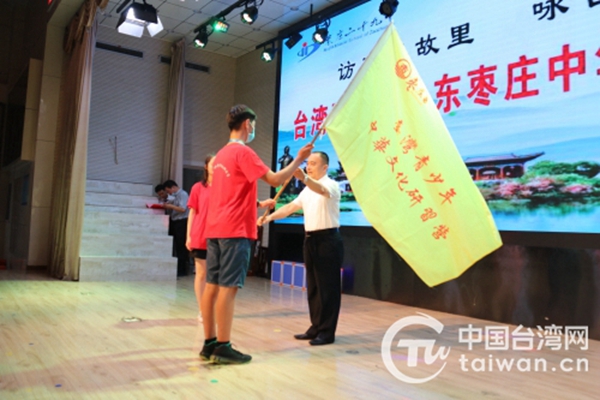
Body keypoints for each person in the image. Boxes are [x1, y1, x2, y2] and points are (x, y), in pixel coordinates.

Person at [200, 104, 313, 365]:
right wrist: (298, 159)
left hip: (215, 228)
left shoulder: (221, 155)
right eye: (254, 124)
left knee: (212, 285)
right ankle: (223, 346)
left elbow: (229, 194)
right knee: (228, 287)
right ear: (247, 124)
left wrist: (257, 204)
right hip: (235, 229)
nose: (254, 129)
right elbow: (274, 179)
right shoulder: (243, 152)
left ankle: (209, 343)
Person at [258, 151, 344, 346]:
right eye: (308, 163)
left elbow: (321, 190)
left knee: (328, 288)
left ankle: (327, 332)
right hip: (310, 240)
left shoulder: (331, 184)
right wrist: (268, 218)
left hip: (328, 240)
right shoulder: (306, 191)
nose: (309, 166)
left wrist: (304, 178)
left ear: (325, 167)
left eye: (313, 163)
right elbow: (289, 208)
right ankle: (316, 327)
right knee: (313, 287)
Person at [186, 154, 215, 323]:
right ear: (206, 166)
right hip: (200, 234)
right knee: (201, 274)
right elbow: (192, 212)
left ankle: (213, 307)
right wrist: (188, 236)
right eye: (213, 163)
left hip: (219, 235)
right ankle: (202, 309)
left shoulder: (224, 187)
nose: (216, 166)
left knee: (215, 275)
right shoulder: (198, 187)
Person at [163, 180, 190, 277]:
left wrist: (171, 206)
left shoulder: (183, 194)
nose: (169, 193)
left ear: (173, 187)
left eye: (169, 191)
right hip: (175, 221)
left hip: (182, 221)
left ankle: (182, 269)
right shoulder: (174, 196)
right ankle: (177, 268)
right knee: (176, 246)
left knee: (181, 246)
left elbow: (182, 209)